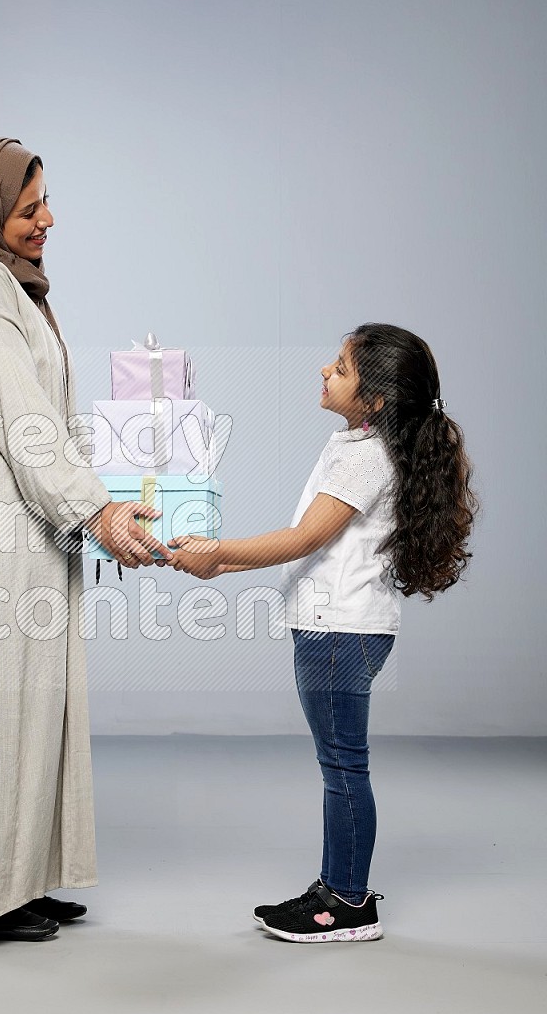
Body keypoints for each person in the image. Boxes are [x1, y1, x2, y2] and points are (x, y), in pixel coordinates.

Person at [0, 137, 168, 941]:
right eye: (29, 209)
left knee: (34, 710)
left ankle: (18, 882)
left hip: (27, 526)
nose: (47, 220)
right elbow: (26, 423)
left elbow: (53, 421)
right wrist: (94, 512)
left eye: (46, 202)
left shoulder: (8, 289)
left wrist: (105, 507)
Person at [168, 324, 477, 942]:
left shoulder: (363, 454)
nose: (324, 371)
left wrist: (217, 553)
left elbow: (306, 538)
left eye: (340, 366)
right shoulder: (363, 441)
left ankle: (346, 903)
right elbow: (309, 543)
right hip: (344, 628)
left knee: (343, 767)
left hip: (338, 631)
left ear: (376, 398)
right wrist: (218, 562)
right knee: (341, 764)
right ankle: (338, 884)